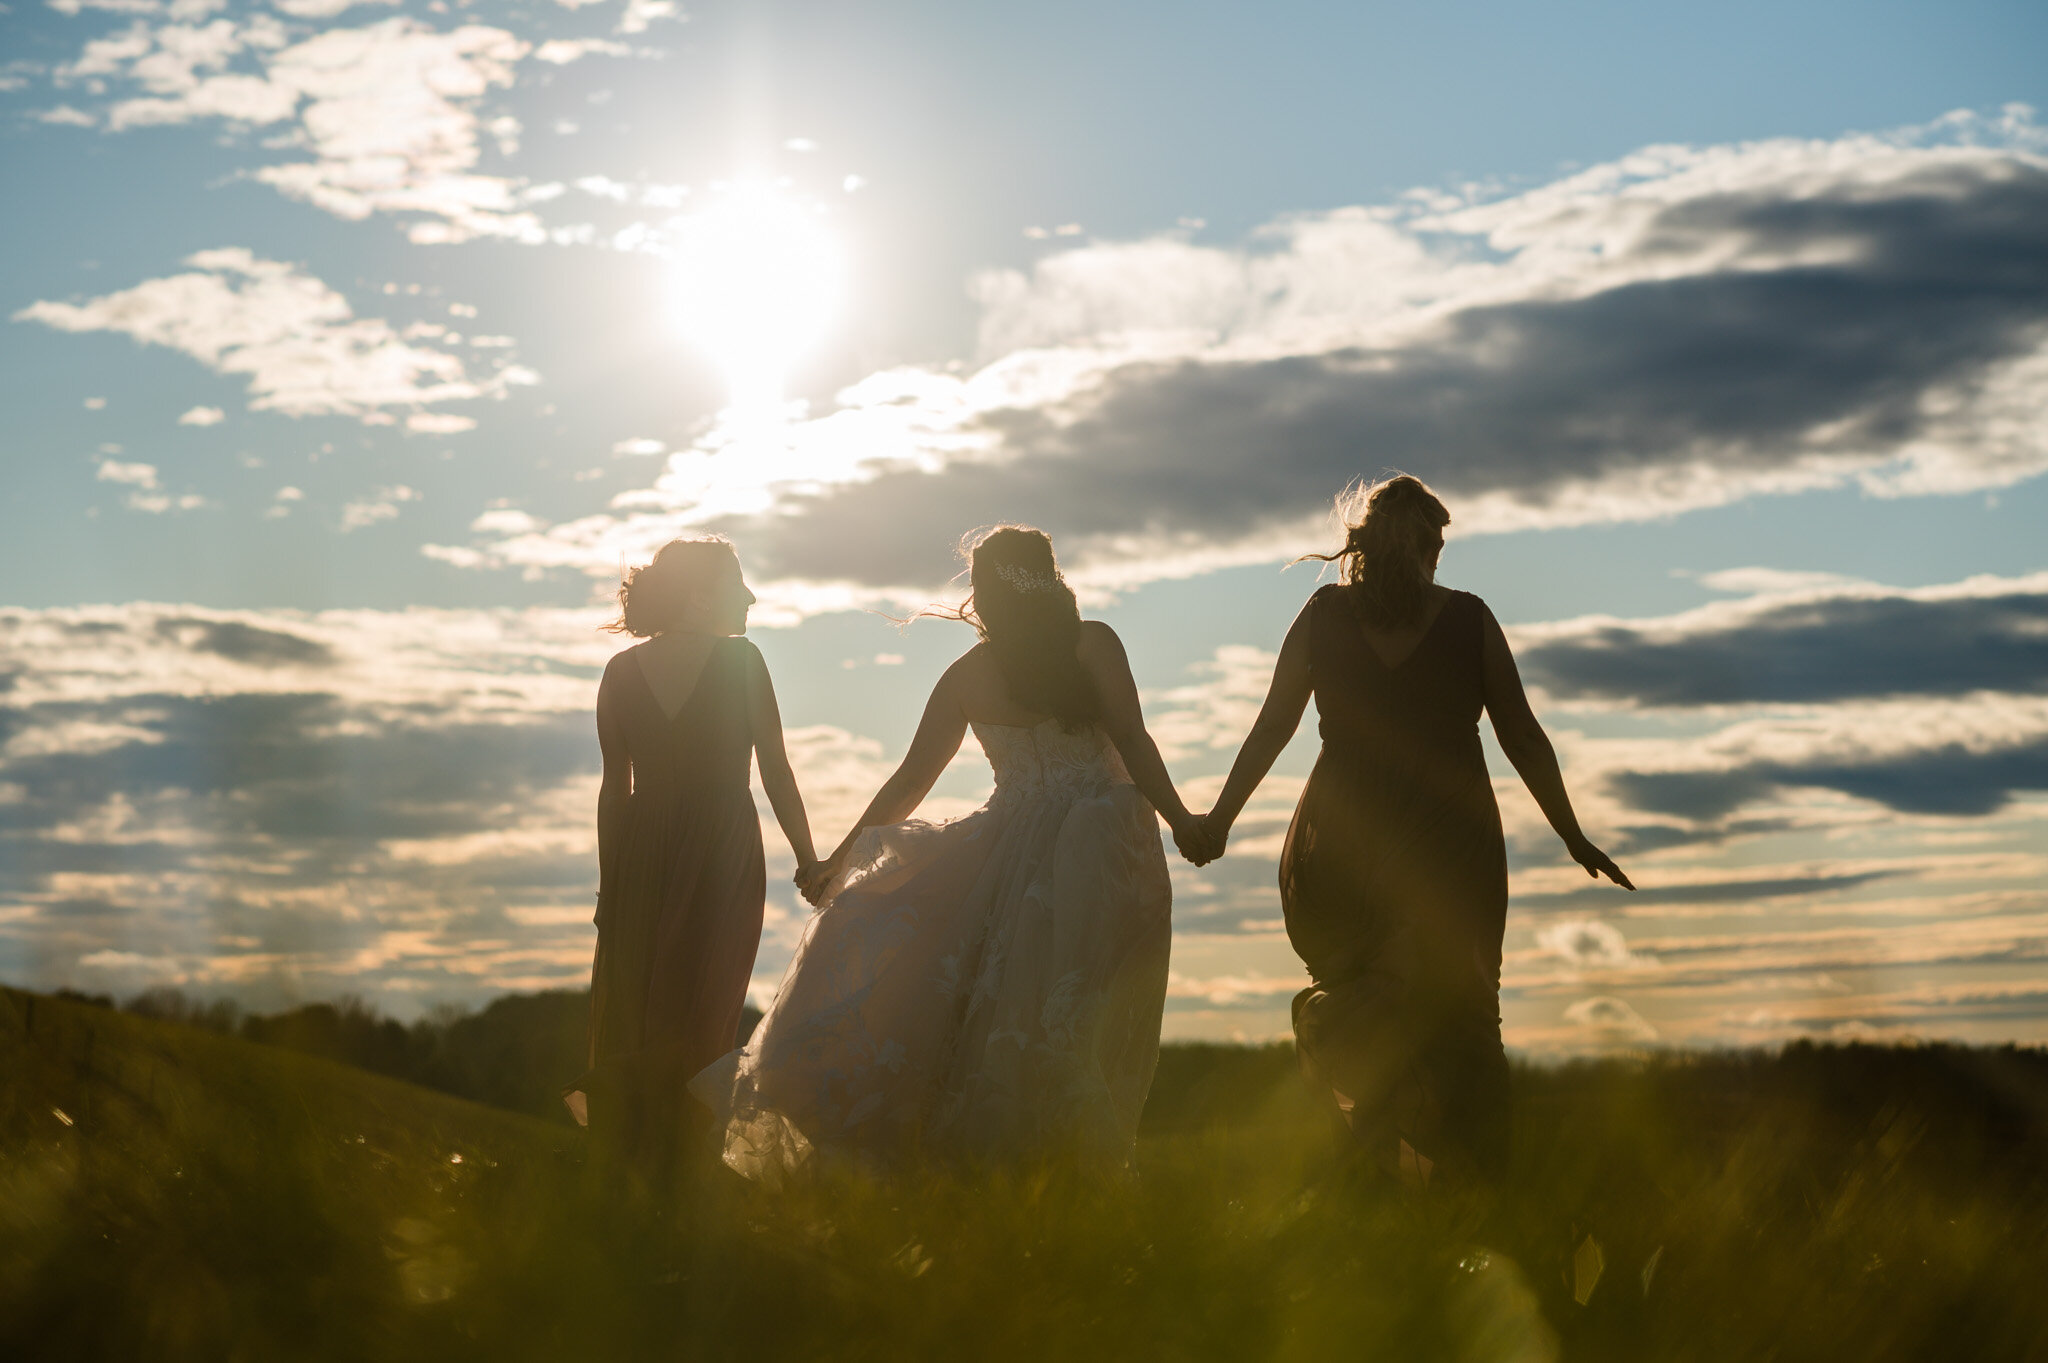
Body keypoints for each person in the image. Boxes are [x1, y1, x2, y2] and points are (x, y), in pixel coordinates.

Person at [691, 526, 1197, 1177]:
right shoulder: (1091, 643)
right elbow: (1133, 738)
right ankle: (1053, 1163)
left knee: (990, 1007)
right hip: (1095, 849)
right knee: (1074, 1010)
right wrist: (1182, 819)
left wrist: (838, 863)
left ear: (984, 594)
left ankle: (1007, 1163)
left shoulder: (968, 674)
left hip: (1008, 849)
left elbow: (909, 780)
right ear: (1051, 578)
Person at [1184, 476, 1632, 1187]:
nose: (1439, 563)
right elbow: (1521, 733)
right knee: (1465, 1010)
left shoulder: (1325, 615)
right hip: (1447, 842)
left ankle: (1379, 1174)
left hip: (1347, 837)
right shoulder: (1469, 619)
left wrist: (1219, 820)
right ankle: (1477, 1192)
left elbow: (1274, 725)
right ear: (1423, 547)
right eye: (1438, 547)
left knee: (1379, 994)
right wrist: (1571, 834)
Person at [566, 537, 821, 1175]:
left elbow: (613, 790)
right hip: (721, 851)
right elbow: (777, 770)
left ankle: (633, 1156)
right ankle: (682, 1163)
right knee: (706, 1003)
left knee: (641, 1001)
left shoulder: (619, 673)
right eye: (740, 585)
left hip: (640, 854)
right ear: (702, 593)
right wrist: (809, 859)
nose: (752, 598)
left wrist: (609, 887)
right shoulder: (742, 660)